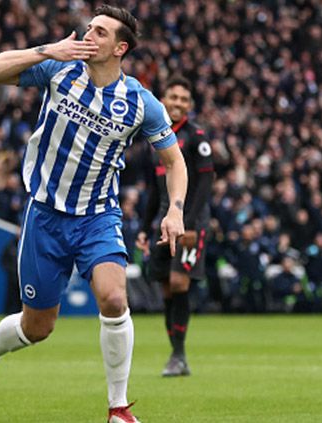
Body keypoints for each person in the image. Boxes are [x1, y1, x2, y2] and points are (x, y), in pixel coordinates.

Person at [0, 6, 187, 423]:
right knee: (38, 327)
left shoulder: (140, 102)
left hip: (97, 215)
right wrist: (49, 49)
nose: (89, 35)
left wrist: (174, 211)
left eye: (99, 32)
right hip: (45, 214)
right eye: (89, 28)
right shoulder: (58, 69)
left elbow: (175, 162)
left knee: (115, 297)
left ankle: (117, 408)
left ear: (120, 47)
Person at [136, 76, 214, 377]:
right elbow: (156, 189)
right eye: (173, 97)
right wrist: (144, 227)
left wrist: (191, 222)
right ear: (163, 100)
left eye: (184, 99)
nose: (178, 103)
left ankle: (179, 355)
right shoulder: (157, 137)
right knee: (167, 289)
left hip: (190, 222)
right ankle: (176, 354)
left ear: (190, 105)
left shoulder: (197, 137)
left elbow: (206, 182)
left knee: (180, 282)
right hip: (164, 222)